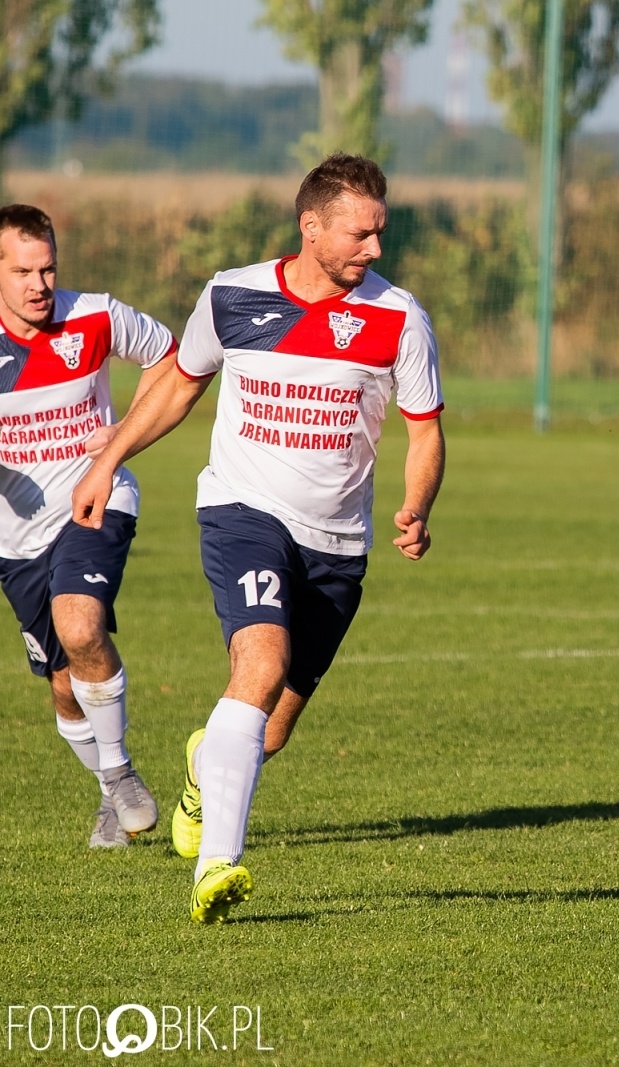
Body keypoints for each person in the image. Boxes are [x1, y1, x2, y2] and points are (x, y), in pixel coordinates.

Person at [72, 154, 445, 923]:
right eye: (360, 233)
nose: (375, 249)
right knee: (262, 660)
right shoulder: (233, 294)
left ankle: (203, 771)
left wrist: (415, 502)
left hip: (338, 546)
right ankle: (218, 866)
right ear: (311, 227)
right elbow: (177, 382)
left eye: (381, 233)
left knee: (267, 728)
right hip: (244, 512)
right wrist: (109, 456)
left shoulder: (400, 318)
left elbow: (426, 429)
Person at [0, 203, 174, 849]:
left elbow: (173, 363)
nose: (39, 285)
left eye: (47, 269)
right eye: (22, 271)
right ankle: (110, 790)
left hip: (94, 496)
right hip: (14, 537)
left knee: (81, 624)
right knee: (62, 686)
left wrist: (123, 434)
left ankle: (121, 772)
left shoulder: (96, 314)